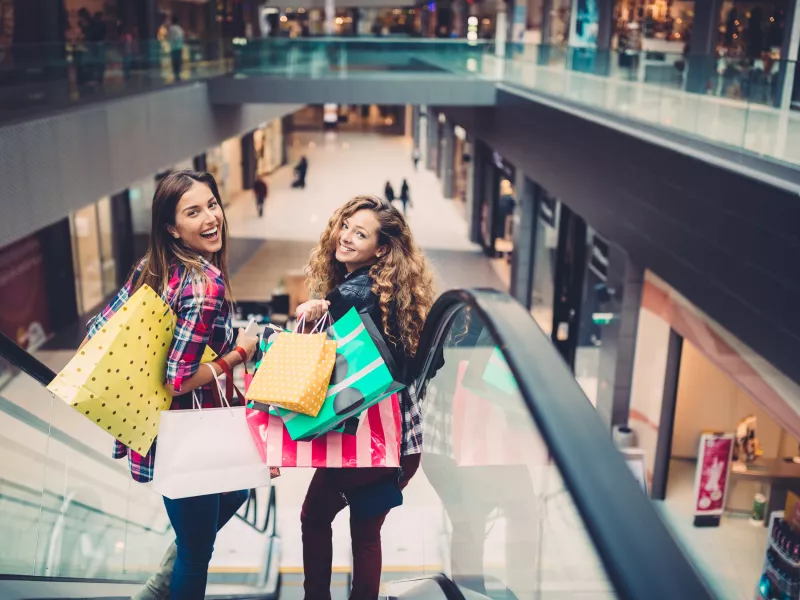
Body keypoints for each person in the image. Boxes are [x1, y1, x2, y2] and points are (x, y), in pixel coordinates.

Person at [83, 170, 259, 600]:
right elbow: (178, 379)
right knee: (197, 553)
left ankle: (156, 586)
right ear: (171, 226)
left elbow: (96, 330)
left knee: (233, 493)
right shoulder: (204, 285)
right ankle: (159, 587)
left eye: (212, 204)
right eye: (193, 212)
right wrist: (237, 355)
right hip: (188, 430)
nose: (210, 218)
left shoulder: (154, 267)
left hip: (156, 424)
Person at [296, 195, 435, 600]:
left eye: (361, 233)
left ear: (381, 248)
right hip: (404, 442)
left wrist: (310, 321)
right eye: (346, 227)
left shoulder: (349, 296)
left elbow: (321, 373)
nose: (346, 238)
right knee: (366, 534)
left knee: (314, 516)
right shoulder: (402, 295)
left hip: (366, 441)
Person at [168, 14, 185, 82]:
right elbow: (181, 37)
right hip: (178, 47)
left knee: (175, 62)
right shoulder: (179, 28)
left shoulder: (171, 28)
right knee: (178, 62)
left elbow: (169, 37)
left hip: (174, 48)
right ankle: (177, 75)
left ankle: (176, 75)